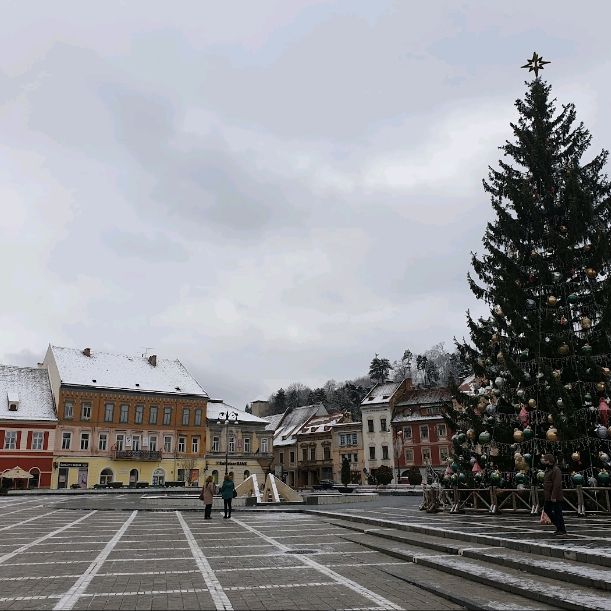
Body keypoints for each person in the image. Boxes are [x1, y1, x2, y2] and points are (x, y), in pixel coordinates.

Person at [542, 454, 567, 536]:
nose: (544, 462)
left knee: (558, 512)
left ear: (550, 461)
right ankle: (558, 526)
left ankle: (561, 529)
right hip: (548, 496)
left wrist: (553, 496)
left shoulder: (556, 470)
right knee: (547, 510)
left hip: (554, 496)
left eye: (545, 460)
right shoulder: (548, 469)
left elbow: (556, 484)